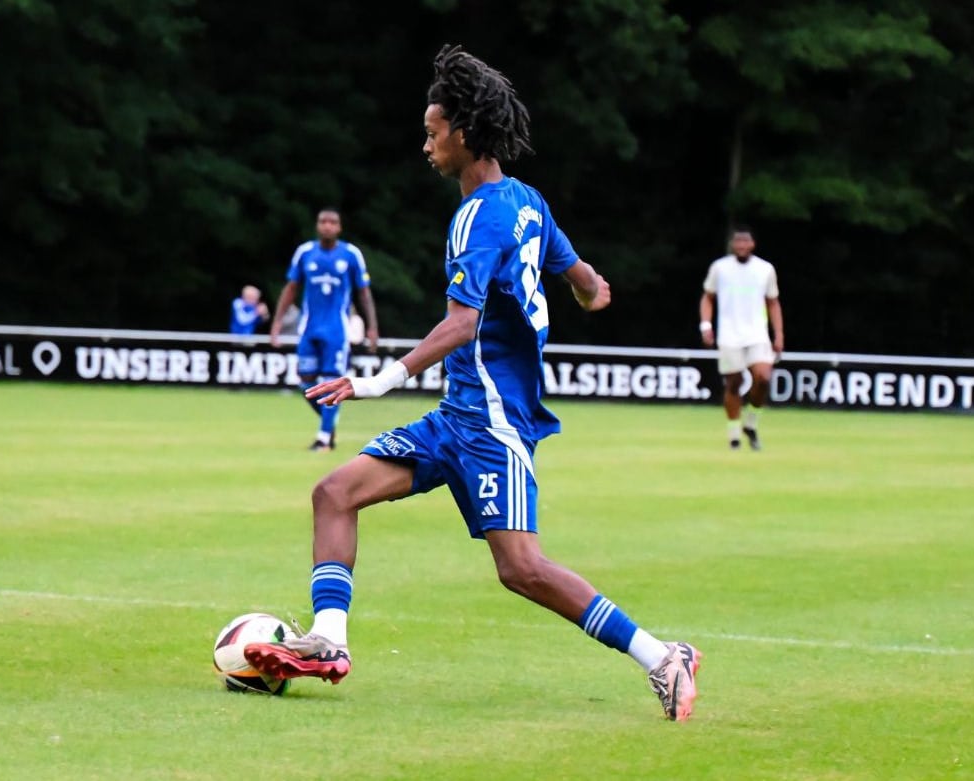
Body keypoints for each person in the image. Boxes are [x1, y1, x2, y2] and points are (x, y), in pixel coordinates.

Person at [245, 44, 702, 722]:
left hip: (493, 425)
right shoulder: (528, 203)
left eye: (433, 133)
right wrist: (589, 290)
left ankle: (663, 655)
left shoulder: (476, 216)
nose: (426, 144)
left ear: (463, 133)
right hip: (454, 417)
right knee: (334, 493)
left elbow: (462, 324)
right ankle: (328, 640)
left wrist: (378, 381)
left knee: (522, 568)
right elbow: (581, 276)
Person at [270, 208, 380, 452]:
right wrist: (277, 322)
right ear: (317, 225)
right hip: (308, 329)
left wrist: (372, 326)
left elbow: (363, 292)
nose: (327, 226)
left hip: (336, 331)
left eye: (332, 222)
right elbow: (291, 288)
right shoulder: (305, 253)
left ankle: (323, 438)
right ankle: (329, 423)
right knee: (306, 383)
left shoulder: (351, 254)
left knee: (331, 382)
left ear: (339, 227)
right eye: (323, 221)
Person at [698, 225, 785, 450]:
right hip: (729, 335)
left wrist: (779, 334)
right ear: (732, 244)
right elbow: (708, 298)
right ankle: (734, 435)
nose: (741, 245)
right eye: (737, 241)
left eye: (745, 241)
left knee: (763, 377)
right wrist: (706, 325)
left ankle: (751, 423)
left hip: (757, 334)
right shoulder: (720, 268)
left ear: (752, 244)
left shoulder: (765, 269)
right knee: (734, 383)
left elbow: (773, 302)